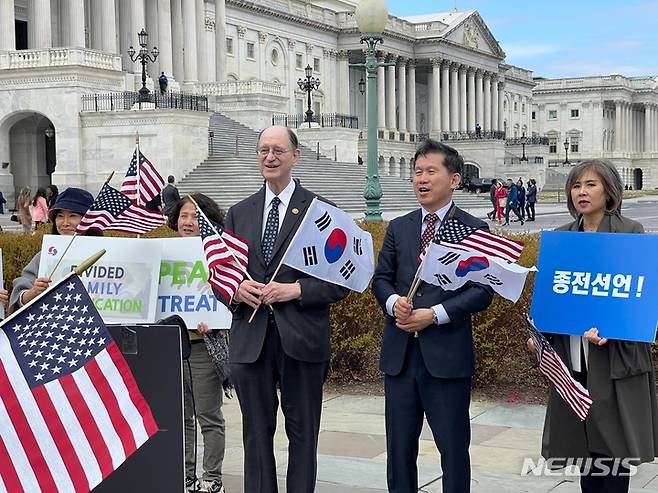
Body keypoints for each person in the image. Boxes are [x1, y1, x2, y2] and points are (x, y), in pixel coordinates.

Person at [226, 125, 349, 492]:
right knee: (256, 439)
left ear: (296, 156)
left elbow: (343, 279)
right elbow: (221, 274)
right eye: (263, 150)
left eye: (278, 150)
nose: (270, 157)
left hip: (301, 340)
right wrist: (236, 289)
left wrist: (296, 289)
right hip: (251, 341)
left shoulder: (321, 212)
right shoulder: (239, 213)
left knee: (303, 436)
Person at [372, 139, 494, 493]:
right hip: (400, 358)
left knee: (453, 450)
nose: (421, 180)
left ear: (454, 179)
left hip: (446, 358)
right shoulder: (400, 227)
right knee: (398, 451)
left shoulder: (472, 228)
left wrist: (435, 314)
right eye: (416, 173)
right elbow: (381, 279)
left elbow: (482, 291)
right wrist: (394, 301)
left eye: (430, 172)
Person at [530, 159, 658, 493]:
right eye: (576, 185)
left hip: (615, 360)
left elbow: (634, 298)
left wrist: (609, 326)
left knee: (614, 454)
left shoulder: (630, 233)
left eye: (591, 184)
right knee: (584, 452)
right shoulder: (561, 239)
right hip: (571, 361)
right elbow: (551, 301)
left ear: (610, 190)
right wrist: (539, 339)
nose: (581, 192)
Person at [168, 194, 228, 493]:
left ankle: (212, 478)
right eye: (184, 216)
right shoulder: (165, 251)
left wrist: (215, 319)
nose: (188, 222)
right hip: (170, 348)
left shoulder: (218, 253)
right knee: (181, 417)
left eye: (195, 216)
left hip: (203, 345)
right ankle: (186, 476)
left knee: (209, 416)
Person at [9, 187, 98, 313]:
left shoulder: (105, 253)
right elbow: (20, 296)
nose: (65, 223)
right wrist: (34, 292)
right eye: (60, 216)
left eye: (73, 216)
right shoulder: (46, 254)